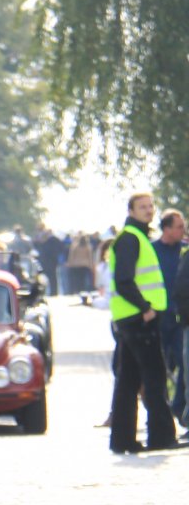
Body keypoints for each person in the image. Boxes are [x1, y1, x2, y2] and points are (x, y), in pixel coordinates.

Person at [106, 192, 179, 453]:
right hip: (139, 319)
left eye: (150, 206)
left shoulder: (136, 237)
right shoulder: (131, 238)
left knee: (128, 381)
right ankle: (161, 436)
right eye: (142, 207)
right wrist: (145, 308)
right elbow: (123, 280)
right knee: (154, 376)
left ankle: (122, 440)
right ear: (131, 211)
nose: (148, 210)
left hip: (131, 318)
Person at [154, 210, 186, 420]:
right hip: (158, 317)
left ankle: (178, 407)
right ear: (167, 229)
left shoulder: (185, 250)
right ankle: (160, 409)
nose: (183, 230)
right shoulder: (151, 250)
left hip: (180, 317)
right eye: (179, 227)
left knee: (185, 364)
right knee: (158, 366)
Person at [67, 232, 96, 297]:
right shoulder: (88, 247)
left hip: (76, 265)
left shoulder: (75, 246)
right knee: (84, 279)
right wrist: (91, 265)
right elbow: (90, 257)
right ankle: (83, 291)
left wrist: (70, 263)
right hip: (85, 265)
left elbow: (71, 256)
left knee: (77, 279)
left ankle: (78, 290)